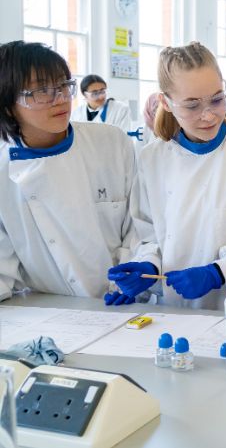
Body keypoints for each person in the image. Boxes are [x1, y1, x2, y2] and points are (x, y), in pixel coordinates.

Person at [105, 42, 226, 309]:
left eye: (217, 100)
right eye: (192, 106)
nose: (208, 115)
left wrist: (220, 272)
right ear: (166, 103)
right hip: (174, 311)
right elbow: (146, 234)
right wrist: (146, 265)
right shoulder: (152, 159)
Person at [0, 41, 137, 301]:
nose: (61, 98)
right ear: (8, 104)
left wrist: (134, 272)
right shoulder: (4, 171)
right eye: (41, 90)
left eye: (64, 85)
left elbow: (140, 221)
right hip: (55, 310)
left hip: (130, 302)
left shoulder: (111, 142)